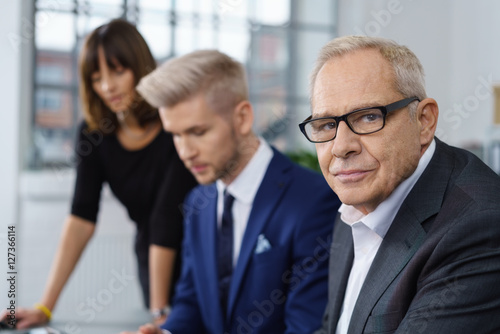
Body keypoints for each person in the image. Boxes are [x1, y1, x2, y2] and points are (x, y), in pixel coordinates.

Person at [122, 49, 341, 334]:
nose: (185, 152)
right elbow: (192, 301)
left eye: (198, 132)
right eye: (175, 135)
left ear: (242, 118)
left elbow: (305, 327)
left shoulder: (313, 200)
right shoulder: (197, 202)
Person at [1, 19, 197, 329]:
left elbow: (166, 220)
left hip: (200, 252)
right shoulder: (94, 134)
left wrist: (160, 314)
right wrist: (44, 308)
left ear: (141, 67)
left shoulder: (171, 123)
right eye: (96, 78)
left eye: (118, 71)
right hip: (152, 259)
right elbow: (81, 217)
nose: (107, 86)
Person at [298, 35, 500, 334]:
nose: (341, 147)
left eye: (368, 117)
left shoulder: (479, 225)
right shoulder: (355, 203)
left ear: (424, 121)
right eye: (327, 125)